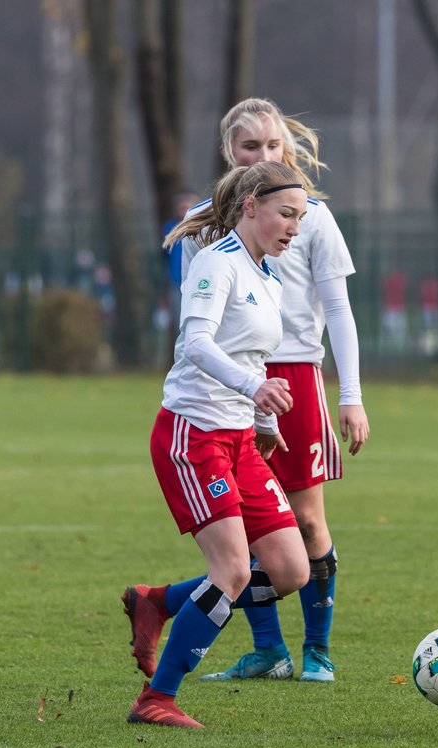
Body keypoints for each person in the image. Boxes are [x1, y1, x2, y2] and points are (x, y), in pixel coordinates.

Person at [125, 97, 370, 684]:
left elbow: (338, 306)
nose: (262, 154)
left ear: (288, 148)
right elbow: (199, 328)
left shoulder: (310, 215)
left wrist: (351, 392)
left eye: (272, 145)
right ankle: (266, 650)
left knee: (303, 526)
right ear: (230, 155)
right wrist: (229, 389)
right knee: (249, 537)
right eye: (249, 147)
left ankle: (316, 651)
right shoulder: (209, 229)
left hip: (294, 378)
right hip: (232, 387)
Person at [123, 159, 311, 729]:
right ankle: (157, 699)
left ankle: (159, 601)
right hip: (193, 434)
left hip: (239, 438)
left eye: (300, 218)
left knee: (290, 570)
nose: (293, 228)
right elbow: (196, 342)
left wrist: (261, 419)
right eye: (286, 214)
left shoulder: (268, 277)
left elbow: (246, 355)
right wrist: (254, 386)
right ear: (251, 206)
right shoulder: (215, 263)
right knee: (231, 571)